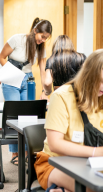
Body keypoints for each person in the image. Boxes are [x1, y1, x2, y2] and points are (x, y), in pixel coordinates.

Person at [34, 49, 103, 192]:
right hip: (54, 163)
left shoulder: (101, 97)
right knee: (91, 188)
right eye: (100, 81)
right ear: (87, 74)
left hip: (90, 164)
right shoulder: (61, 96)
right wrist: (96, 152)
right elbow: (55, 144)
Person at [0, 17, 52, 165]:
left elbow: (42, 70)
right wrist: (11, 73)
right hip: (11, 78)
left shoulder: (41, 47)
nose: (43, 40)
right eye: (42, 36)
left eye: (46, 38)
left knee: (28, 115)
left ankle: (28, 152)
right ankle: (15, 154)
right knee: (14, 115)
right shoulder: (17, 39)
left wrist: (44, 91)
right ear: (35, 30)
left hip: (28, 80)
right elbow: (1, 57)